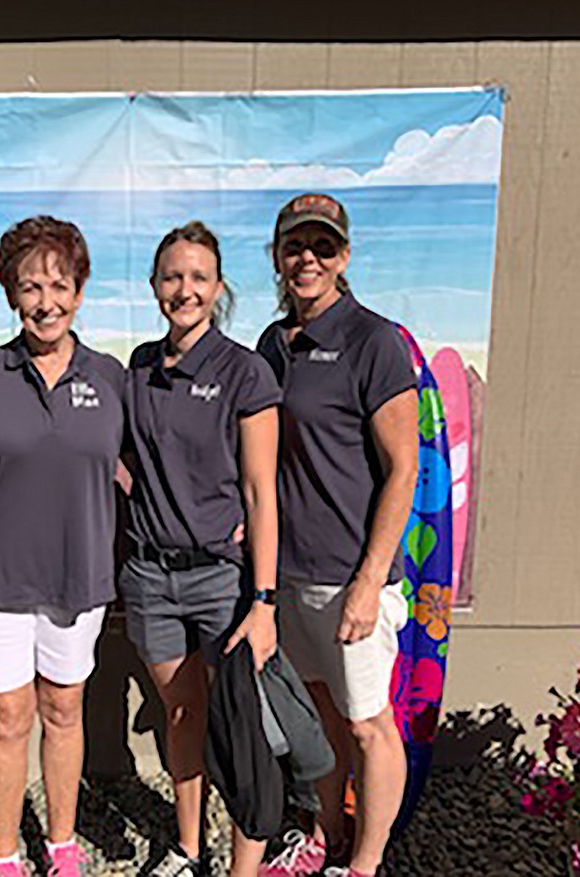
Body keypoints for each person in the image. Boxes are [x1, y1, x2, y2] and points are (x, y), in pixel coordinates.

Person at [0, 216, 125, 877]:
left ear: (80, 292)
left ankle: (63, 843)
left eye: (58, 284)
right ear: (10, 295)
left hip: (79, 573)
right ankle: (4, 851)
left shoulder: (110, 378)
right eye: (29, 286)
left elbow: (143, 468)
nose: (45, 300)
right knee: (9, 714)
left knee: (64, 705)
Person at [255, 195, 418, 877]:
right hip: (289, 575)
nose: (308, 259)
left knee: (367, 724)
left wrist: (369, 579)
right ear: (277, 257)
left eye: (323, 247)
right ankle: (322, 835)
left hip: (351, 577)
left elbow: (403, 467)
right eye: (296, 247)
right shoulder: (272, 342)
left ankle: (366, 863)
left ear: (344, 257)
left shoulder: (372, 339)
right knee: (315, 721)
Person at [120, 221, 282, 877]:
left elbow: (260, 490)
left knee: (240, 723)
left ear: (217, 288)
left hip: (224, 579)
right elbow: (123, 452)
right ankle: (189, 848)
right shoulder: (137, 366)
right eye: (172, 276)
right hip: (150, 576)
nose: (184, 289)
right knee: (182, 714)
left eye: (198, 277)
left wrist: (264, 599)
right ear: (156, 285)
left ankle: (245, 862)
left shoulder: (245, 370)